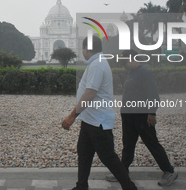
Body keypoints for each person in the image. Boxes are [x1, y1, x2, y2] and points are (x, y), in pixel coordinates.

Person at [62, 36, 138, 190]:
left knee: (108, 157)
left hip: (98, 121)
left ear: (86, 48)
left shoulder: (97, 65)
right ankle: (81, 186)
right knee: (84, 153)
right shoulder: (97, 63)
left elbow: (90, 93)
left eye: (82, 48)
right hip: (90, 120)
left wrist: (71, 116)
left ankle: (129, 187)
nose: (82, 51)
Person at [106, 49, 178, 186]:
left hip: (142, 118)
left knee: (152, 144)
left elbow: (153, 94)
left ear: (133, 59)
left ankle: (169, 171)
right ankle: (123, 172)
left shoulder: (144, 73)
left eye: (125, 62)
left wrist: (152, 112)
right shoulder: (132, 73)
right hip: (129, 118)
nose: (123, 66)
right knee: (128, 146)